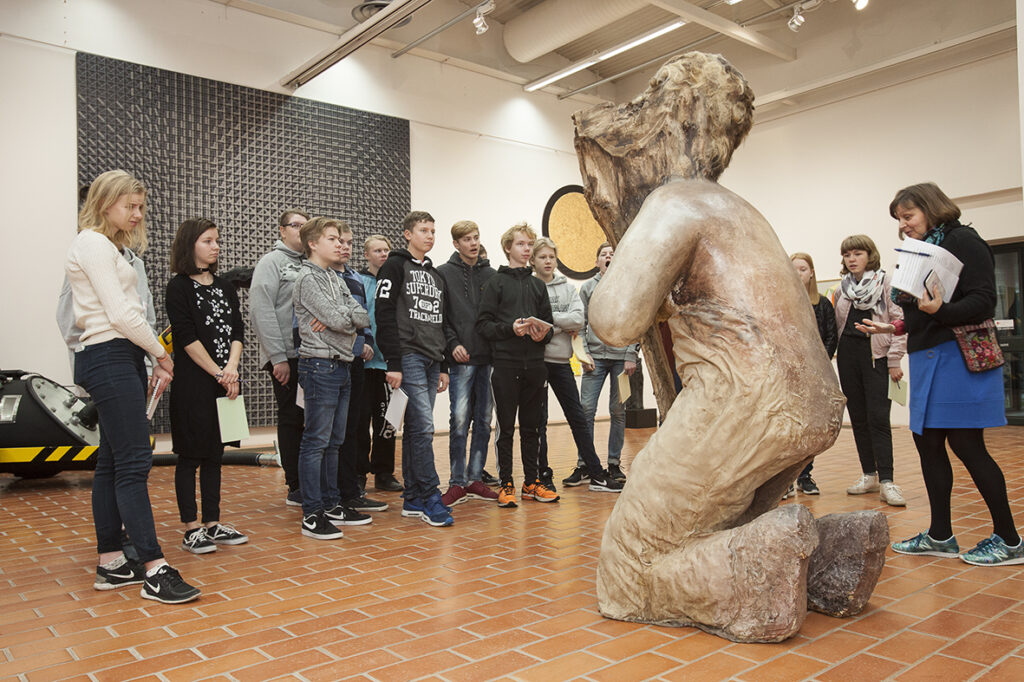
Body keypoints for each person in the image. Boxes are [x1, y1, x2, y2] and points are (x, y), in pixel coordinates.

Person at [858, 182, 1022, 566]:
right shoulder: (919, 250)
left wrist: (939, 312)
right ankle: (940, 535)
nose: (904, 225)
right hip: (929, 356)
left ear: (931, 208)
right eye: (899, 220)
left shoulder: (964, 240)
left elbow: (983, 300)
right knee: (927, 444)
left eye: (909, 216)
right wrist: (894, 328)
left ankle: (1011, 540)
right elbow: (919, 312)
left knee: (967, 446)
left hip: (958, 358)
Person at [65, 169, 200, 604]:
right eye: (131, 206)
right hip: (107, 355)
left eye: (141, 207)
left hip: (118, 356)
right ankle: (154, 568)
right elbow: (122, 315)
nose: (138, 215)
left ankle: (110, 563)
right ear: (106, 203)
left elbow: (127, 316)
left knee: (111, 462)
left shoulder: (113, 247)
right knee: (135, 462)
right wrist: (161, 355)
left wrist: (146, 356)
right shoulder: (93, 242)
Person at [165, 218, 248, 554]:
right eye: (208, 241)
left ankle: (212, 523)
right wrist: (218, 372)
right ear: (191, 245)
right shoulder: (178, 287)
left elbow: (237, 332)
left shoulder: (225, 287)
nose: (215, 246)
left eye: (217, 241)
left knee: (215, 454)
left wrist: (231, 369)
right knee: (190, 456)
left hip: (223, 380)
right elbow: (186, 338)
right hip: (193, 383)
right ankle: (191, 528)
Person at [292, 218, 371, 540]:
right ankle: (312, 513)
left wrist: (344, 321)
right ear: (313, 243)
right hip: (319, 367)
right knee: (316, 442)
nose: (340, 244)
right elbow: (340, 318)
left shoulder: (335, 277)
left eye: (341, 239)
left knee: (335, 442)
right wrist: (344, 321)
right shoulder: (307, 278)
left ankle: (331, 503)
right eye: (332, 239)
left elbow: (361, 316)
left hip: (341, 364)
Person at [375, 211, 454, 527]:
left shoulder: (436, 276)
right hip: (408, 358)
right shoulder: (394, 265)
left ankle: (413, 498)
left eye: (433, 231)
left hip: (433, 359)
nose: (430, 236)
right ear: (407, 234)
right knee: (423, 428)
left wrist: (445, 364)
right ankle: (431, 497)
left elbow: (442, 321)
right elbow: (383, 314)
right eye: (424, 230)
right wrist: (393, 362)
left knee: (416, 431)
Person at [532, 238, 623, 494]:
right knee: (540, 422)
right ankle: (543, 474)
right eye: (543, 257)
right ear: (533, 260)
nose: (548, 261)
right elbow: (533, 323)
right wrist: (561, 324)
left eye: (552, 256)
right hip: (537, 362)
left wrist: (549, 321)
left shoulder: (568, 288)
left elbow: (578, 318)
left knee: (578, 418)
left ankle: (596, 474)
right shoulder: (529, 286)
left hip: (561, 362)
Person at [477, 223, 557, 507]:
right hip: (506, 364)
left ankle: (531, 482)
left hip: (535, 364)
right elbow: (483, 325)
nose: (527, 249)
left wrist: (541, 333)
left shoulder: (538, 285)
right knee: (507, 428)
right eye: (522, 244)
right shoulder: (496, 283)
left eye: (529, 245)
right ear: (508, 247)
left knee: (533, 426)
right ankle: (507, 483)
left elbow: (549, 325)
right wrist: (510, 329)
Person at [832, 235, 907, 506]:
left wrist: (895, 359)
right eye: (847, 255)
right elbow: (838, 326)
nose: (852, 259)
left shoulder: (886, 283)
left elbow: (899, 321)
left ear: (869, 255)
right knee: (859, 419)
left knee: (878, 418)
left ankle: (887, 480)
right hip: (849, 356)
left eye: (857, 254)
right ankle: (869, 474)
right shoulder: (842, 289)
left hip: (876, 355)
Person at [437, 220, 499, 506]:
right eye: (466, 239)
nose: (473, 243)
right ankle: (457, 482)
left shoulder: (492, 275)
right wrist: (452, 345)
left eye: (476, 238)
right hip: (461, 359)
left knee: (484, 421)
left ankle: (475, 478)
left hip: (488, 358)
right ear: (456, 244)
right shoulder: (443, 274)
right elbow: (442, 318)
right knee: (460, 420)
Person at [250, 209, 308, 507]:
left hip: (313, 355)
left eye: (305, 225)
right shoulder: (271, 262)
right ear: (282, 230)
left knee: (312, 420)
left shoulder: (312, 262)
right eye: (295, 225)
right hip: (287, 356)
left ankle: (313, 481)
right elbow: (261, 311)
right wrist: (277, 357)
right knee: (291, 419)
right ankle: (295, 484)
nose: (301, 230)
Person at [566, 243, 638, 486]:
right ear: (597, 262)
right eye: (603, 255)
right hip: (594, 360)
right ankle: (584, 464)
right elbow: (580, 325)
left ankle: (614, 464)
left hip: (621, 359)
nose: (608, 257)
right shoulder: (587, 288)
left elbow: (635, 322)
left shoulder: (629, 289)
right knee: (585, 410)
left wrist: (631, 354)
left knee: (618, 411)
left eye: (612, 255)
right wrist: (584, 355)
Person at [331, 226, 386, 519]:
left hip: (357, 362)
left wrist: (366, 340)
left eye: (349, 243)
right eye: (339, 242)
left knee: (352, 428)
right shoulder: (319, 277)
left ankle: (352, 492)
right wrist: (355, 332)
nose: (345, 247)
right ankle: (331, 497)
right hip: (328, 362)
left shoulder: (352, 278)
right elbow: (333, 319)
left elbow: (362, 317)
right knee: (333, 433)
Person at [786, 252, 838, 497]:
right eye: (793, 268)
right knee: (788, 428)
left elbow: (830, 336)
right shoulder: (780, 302)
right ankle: (784, 479)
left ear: (812, 273)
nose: (798, 274)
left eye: (803, 269)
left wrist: (819, 364)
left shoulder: (823, 304)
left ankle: (805, 476)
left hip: (815, 375)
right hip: (789, 375)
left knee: (810, 428)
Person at [357, 235, 402, 492]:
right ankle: (359, 474)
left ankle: (384, 473)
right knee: (361, 423)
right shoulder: (358, 281)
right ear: (366, 255)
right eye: (377, 250)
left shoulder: (395, 281)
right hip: (364, 365)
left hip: (388, 365)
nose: (383, 254)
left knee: (388, 422)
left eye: (386, 250)